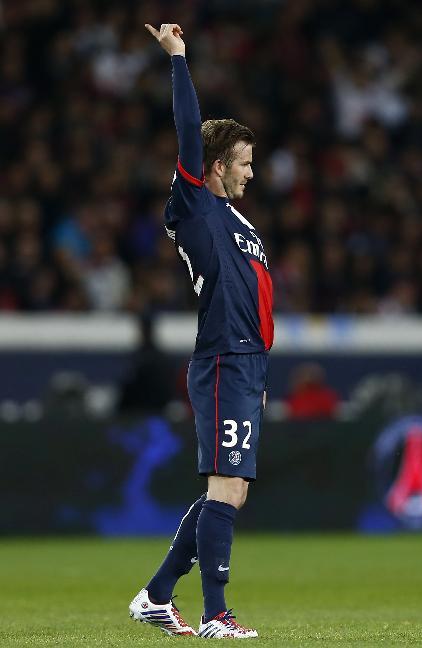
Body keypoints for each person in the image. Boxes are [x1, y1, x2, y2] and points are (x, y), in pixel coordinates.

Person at [128, 23, 274, 639]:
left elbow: (258, 301)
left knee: (231, 492)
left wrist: (263, 371)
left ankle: (157, 597)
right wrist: (179, 60)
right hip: (220, 359)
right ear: (214, 166)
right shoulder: (195, 205)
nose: (250, 173)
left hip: (247, 364)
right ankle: (217, 613)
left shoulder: (239, 221)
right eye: (242, 163)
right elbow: (188, 130)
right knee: (224, 485)